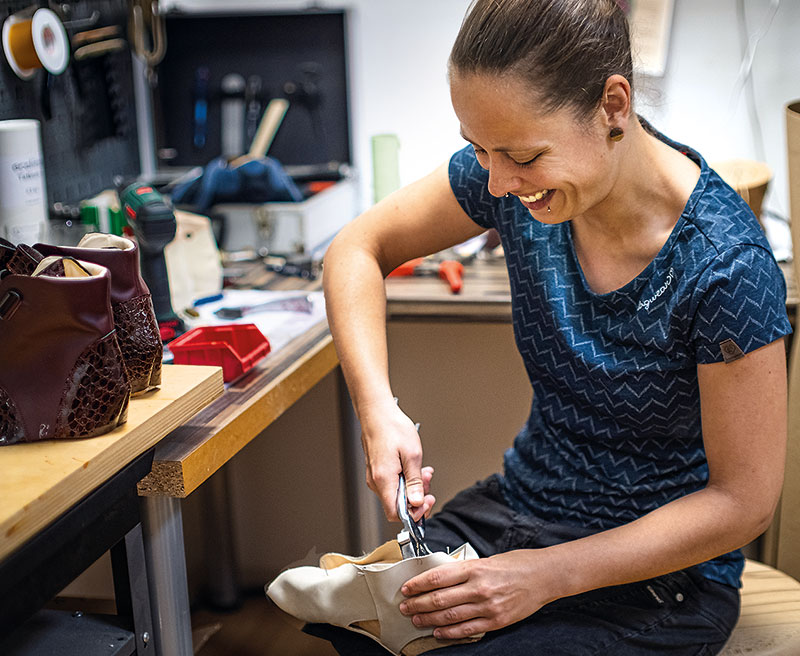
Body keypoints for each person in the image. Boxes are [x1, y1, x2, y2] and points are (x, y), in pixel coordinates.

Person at [317, 0, 791, 653]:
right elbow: (355, 248)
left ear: (614, 106)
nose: (497, 182)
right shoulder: (509, 181)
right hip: (523, 508)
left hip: (656, 575)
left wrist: (544, 578)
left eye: (522, 155)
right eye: (477, 150)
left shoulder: (725, 266)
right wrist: (378, 409)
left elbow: (744, 503)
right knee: (371, 634)